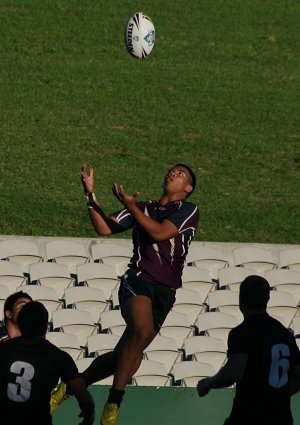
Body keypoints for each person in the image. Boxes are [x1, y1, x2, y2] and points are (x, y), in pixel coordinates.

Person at [79, 162, 200, 425]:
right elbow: (104, 228)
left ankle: (74, 385)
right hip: (138, 280)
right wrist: (90, 196)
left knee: (126, 354)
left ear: (188, 188)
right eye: (170, 170)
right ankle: (114, 402)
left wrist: (131, 206)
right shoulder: (143, 207)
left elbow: (160, 232)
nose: (172, 173)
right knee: (142, 330)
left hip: (166, 292)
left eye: (180, 174)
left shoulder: (188, 210)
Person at [197, 275, 300, 425]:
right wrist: (278, 396)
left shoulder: (242, 332)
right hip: (281, 418)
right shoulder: (284, 334)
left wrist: (207, 383)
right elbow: (298, 375)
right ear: (267, 299)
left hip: (249, 416)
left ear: (241, 301)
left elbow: (233, 372)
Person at [0, 300, 95, 425]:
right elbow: (83, 395)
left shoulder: (3, 350)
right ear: (46, 326)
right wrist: (89, 415)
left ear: (21, 324)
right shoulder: (59, 357)